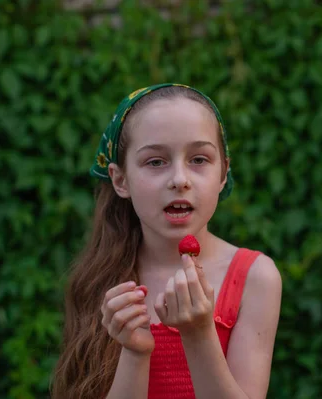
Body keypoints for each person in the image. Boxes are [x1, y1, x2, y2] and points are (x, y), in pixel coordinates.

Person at [51, 83, 282, 399]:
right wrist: (135, 351)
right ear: (120, 180)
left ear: (223, 174)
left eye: (199, 159)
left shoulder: (255, 277)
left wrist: (199, 335)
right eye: (155, 162)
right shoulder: (103, 280)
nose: (179, 180)